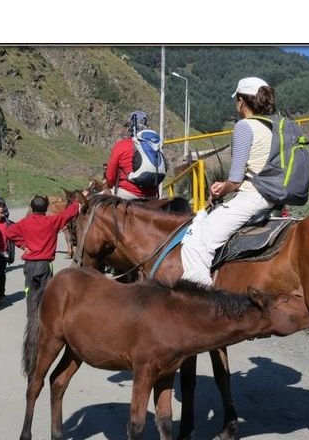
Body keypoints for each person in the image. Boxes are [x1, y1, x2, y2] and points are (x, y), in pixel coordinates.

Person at [180, 77, 277, 286]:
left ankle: (200, 304)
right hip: (273, 197)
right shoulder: (274, 127)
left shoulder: (244, 126)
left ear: (241, 101)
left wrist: (221, 189)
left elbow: (235, 179)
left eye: (237, 101)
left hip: (252, 199)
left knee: (194, 245)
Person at [6, 194, 81, 317]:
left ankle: (31, 316)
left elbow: (9, 232)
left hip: (29, 265)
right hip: (44, 265)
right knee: (46, 294)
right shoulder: (52, 221)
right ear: (46, 209)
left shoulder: (25, 222)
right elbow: (67, 214)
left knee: (30, 292)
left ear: (31, 208)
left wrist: (23, 245)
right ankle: (45, 319)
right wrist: (77, 203)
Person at [104, 111, 159, 200]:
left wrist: (109, 186)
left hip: (126, 194)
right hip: (152, 196)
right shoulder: (154, 146)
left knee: (95, 203)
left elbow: (110, 178)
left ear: (131, 128)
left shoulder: (121, 145)